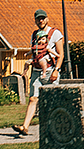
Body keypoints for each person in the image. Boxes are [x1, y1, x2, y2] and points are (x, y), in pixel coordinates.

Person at [16, 8, 64, 137]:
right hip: (36, 71)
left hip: (50, 71)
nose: (41, 20)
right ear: (35, 20)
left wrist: (56, 70)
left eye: (43, 18)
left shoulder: (55, 33)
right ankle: (25, 127)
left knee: (53, 101)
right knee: (33, 98)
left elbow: (61, 54)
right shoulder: (34, 34)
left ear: (47, 19)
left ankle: (58, 129)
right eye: (38, 19)